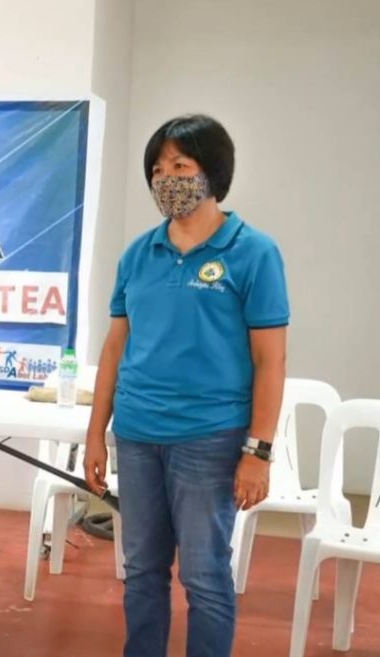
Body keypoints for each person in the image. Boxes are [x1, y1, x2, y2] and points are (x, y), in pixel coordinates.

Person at [84, 115, 288, 657]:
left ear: (212, 172)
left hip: (210, 438)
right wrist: (95, 433)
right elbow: (114, 348)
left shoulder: (254, 252)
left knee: (204, 575)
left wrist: (258, 452)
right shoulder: (138, 254)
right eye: (157, 169)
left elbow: (271, 361)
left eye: (180, 165)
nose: (166, 178)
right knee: (142, 569)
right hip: (137, 433)